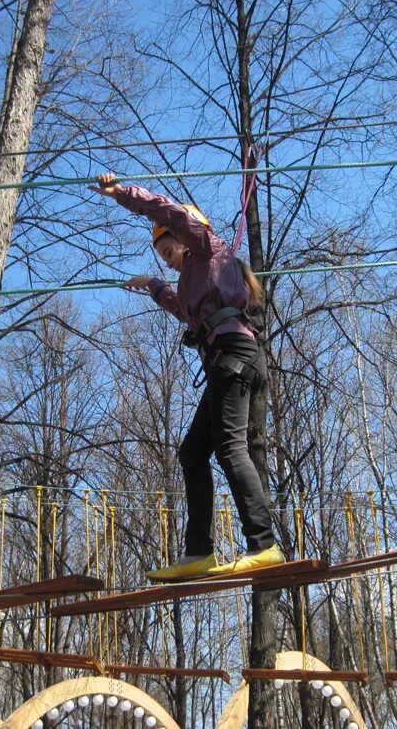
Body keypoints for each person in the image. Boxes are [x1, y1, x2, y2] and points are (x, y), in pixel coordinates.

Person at [90, 172, 284, 581]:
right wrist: (154, 284)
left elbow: (170, 211)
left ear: (183, 236)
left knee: (231, 448)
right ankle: (199, 552)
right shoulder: (196, 277)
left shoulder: (207, 247)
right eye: (162, 255)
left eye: (167, 249)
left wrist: (121, 193)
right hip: (225, 360)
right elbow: (186, 311)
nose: (167, 257)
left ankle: (264, 544)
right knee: (192, 453)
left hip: (234, 356)